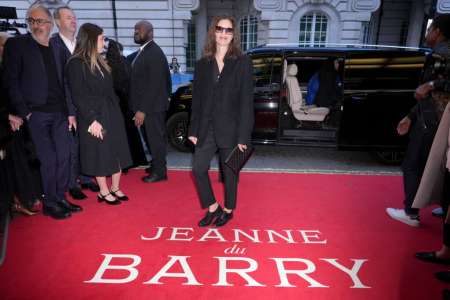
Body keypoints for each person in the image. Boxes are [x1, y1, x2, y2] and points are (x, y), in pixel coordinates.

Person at [3, 3, 81, 219]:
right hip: (36, 113)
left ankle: (60, 196)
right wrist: (24, 112)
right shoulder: (17, 45)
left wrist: (71, 112)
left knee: (64, 157)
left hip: (60, 113)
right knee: (48, 160)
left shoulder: (57, 47)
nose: (36, 26)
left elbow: (65, 82)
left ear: (49, 24)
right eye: (31, 21)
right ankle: (50, 202)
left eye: (40, 21)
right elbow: (11, 81)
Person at [188, 16, 254, 227]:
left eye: (228, 30)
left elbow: (246, 102)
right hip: (206, 128)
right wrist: (193, 128)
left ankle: (228, 209)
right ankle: (212, 207)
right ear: (213, 32)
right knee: (198, 169)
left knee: (230, 173)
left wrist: (244, 136)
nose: (224, 34)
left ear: (233, 35)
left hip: (232, 129)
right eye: (220, 29)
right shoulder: (202, 64)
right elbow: (197, 100)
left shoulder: (242, 63)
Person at [386, 14, 450, 227]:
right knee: (443, 165)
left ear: (438, 31)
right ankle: (446, 207)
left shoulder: (441, 55)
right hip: (437, 120)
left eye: (430, 28)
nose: (427, 32)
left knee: (413, 163)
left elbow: (429, 93)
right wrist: (410, 115)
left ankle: (410, 213)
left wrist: (431, 85)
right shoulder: (440, 53)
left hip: (433, 121)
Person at [66, 23, 132, 205]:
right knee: (100, 154)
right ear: (91, 39)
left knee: (118, 150)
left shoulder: (100, 61)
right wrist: (91, 120)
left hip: (111, 112)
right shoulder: (76, 63)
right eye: (102, 38)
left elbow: (111, 88)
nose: (104, 41)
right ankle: (103, 191)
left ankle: (115, 187)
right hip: (94, 115)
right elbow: (78, 96)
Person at [51, 5, 100, 200]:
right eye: (68, 17)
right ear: (57, 22)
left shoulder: (81, 45)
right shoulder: (53, 45)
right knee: (72, 146)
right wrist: (70, 110)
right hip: (67, 106)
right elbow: (60, 82)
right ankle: (72, 183)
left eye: (74, 17)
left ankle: (86, 177)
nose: (73, 20)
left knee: (86, 143)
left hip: (85, 104)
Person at [128, 20, 171, 183]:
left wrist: (142, 110)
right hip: (150, 106)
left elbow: (154, 85)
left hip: (152, 108)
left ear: (150, 33)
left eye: (139, 30)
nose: (136, 32)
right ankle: (156, 164)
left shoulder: (154, 53)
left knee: (155, 140)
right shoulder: (146, 51)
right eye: (135, 30)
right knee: (150, 139)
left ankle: (160, 172)